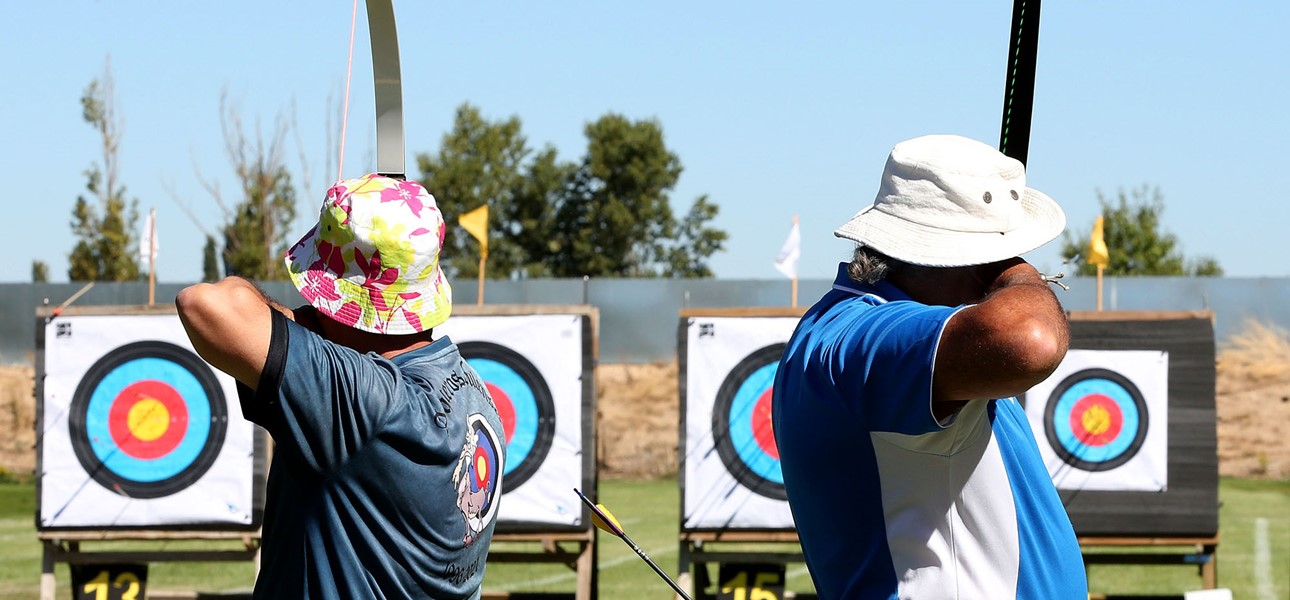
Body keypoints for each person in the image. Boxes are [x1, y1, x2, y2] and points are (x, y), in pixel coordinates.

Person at [771, 135, 1087, 599]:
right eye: (995, 261)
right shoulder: (864, 339)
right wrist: (1013, 270)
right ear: (971, 262)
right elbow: (1032, 340)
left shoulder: (838, 329)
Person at [177, 174, 506, 599]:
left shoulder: (367, 400)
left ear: (345, 300)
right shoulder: (472, 389)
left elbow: (206, 304)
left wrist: (302, 325)